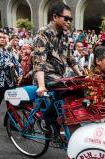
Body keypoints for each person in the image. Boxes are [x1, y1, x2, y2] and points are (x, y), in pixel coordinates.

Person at [33, 2, 83, 132]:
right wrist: (41, 86)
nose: (69, 22)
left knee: (80, 86)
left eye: (70, 19)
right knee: (68, 88)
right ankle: (45, 119)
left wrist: (81, 75)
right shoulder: (43, 33)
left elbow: (70, 58)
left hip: (59, 76)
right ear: (55, 17)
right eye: (66, 18)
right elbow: (39, 62)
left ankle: (58, 120)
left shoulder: (65, 35)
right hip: (45, 76)